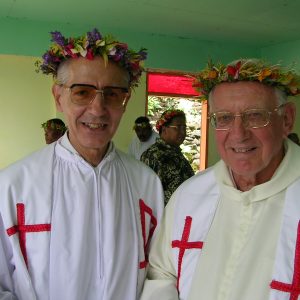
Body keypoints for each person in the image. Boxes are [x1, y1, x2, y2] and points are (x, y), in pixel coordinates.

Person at [0, 28, 164, 300]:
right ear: (58, 97)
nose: (98, 109)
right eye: (82, 92)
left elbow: (158, 276)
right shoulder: (14, 185)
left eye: (112, 94)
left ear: (125, 103)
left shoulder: (145, 184)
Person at [140, 59, 300, 300]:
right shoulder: (190, 195)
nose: (238, 134)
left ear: (286, 119)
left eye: (255, 116)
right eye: (224, 118)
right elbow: (162, 273)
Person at [141, 109, 194, 205]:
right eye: (177, 127)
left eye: (184, 128)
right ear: (164, 129)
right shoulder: (153, 155)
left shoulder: (176, 153)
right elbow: (148, 194)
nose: (182, 132)